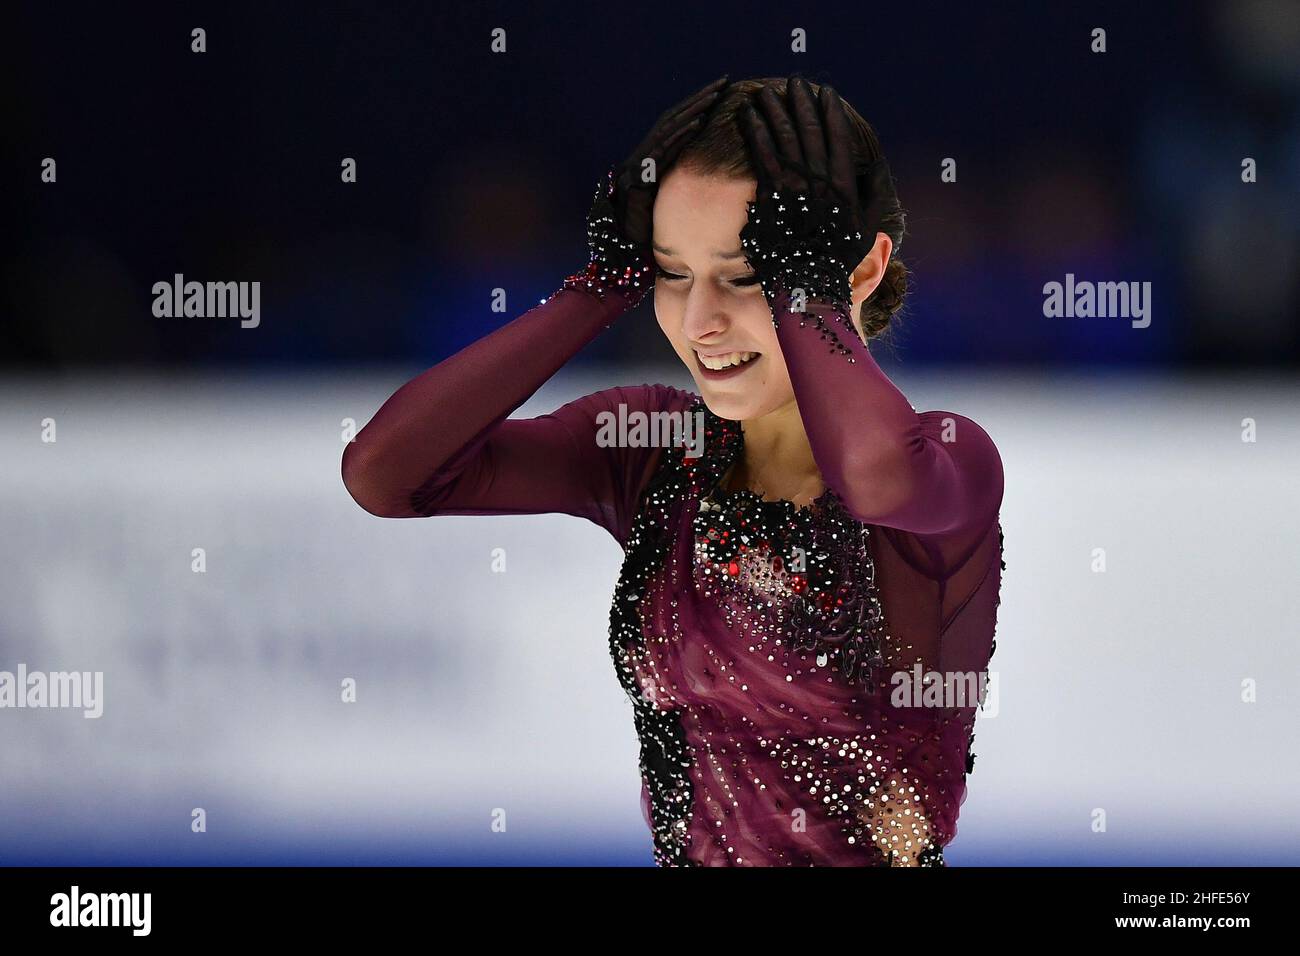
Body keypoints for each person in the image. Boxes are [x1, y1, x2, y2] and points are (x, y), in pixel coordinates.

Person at [341, 75, 1006, 866]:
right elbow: (386, 475)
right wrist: (597, 290)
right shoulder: (656, 447)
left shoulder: (952, 461)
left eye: (748, 276)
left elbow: (874, 478)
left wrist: (807, 294)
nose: (699, 323)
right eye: (671, 272)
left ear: (854, 274)